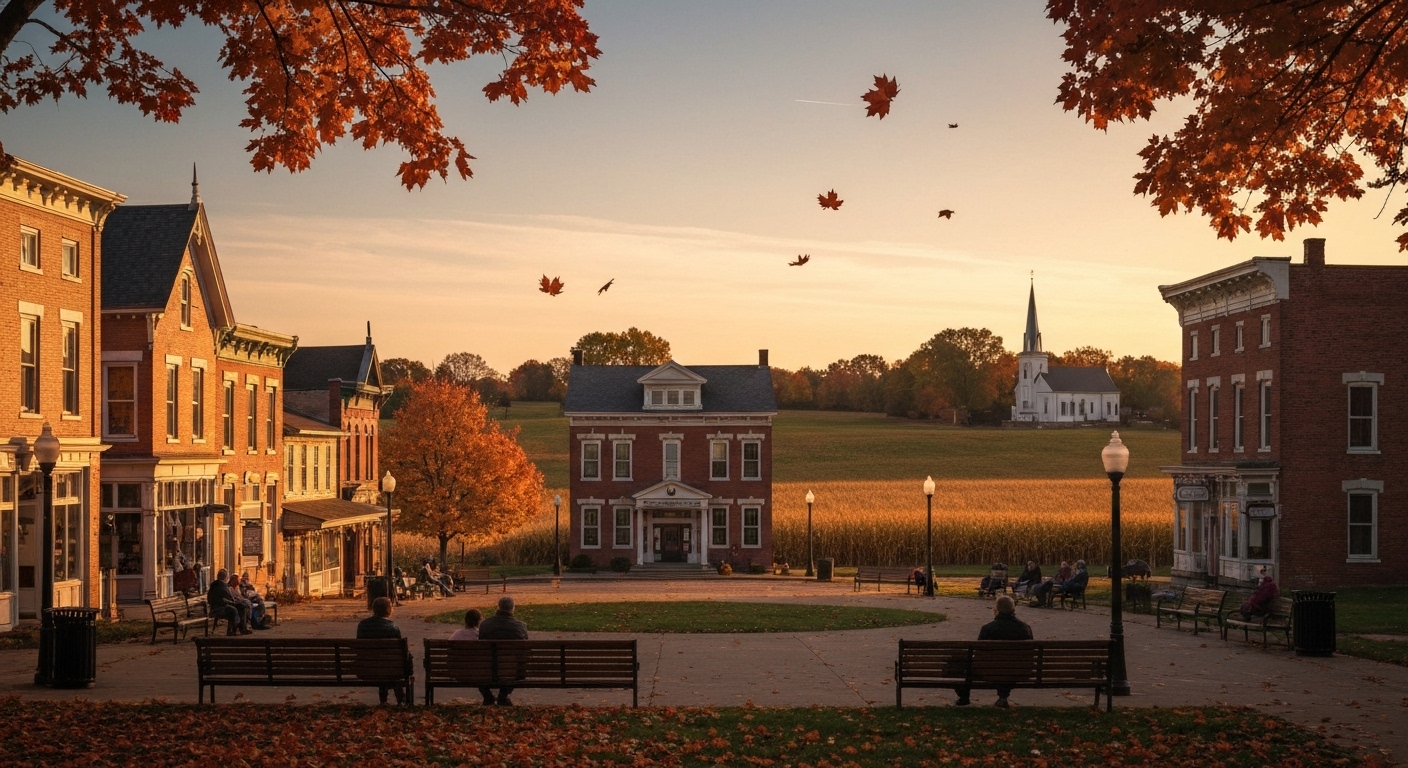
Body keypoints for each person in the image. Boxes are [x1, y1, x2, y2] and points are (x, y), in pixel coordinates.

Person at [955, 595, 1033, 708]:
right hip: (1020, 671)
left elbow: (979, 652)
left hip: (990, 671)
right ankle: (1003, 697)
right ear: (1013, 609)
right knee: (1006, 665)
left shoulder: (988, 629)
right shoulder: (1025, 628)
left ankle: (964, 697)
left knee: (959, 663)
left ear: (996, 610)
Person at [477, 596, 529, 706]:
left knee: (480, 664)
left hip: (488, 669)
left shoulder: (485, 624)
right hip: (512, 670)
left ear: (498, 607)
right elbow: (524, 650)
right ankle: (503, 696)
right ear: (512, 608)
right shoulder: (520, 626)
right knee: (516, 664)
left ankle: (488, 696)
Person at [356, 596, 406, 704]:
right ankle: (401, 699)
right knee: (393, 667)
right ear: (389, 610)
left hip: (366, 669)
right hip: (388, 669)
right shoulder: (393, 628)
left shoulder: (362, 625)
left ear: (374, 609)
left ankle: (386, 698)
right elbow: (400, 652)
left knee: (386, 665)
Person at [208, 568, 251, 635]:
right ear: (225, 577)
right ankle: (239, 629)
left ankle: (236, 628)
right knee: (241, 607)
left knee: (239, 606)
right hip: (219, 608)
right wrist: (237, 601)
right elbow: (230, 599)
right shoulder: (222, 586)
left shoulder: (214, 585)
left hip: (214, 608)